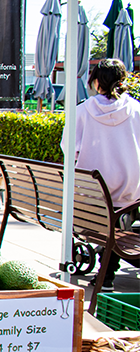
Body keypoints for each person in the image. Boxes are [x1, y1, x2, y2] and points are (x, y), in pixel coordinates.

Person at [61, 58, 140, 291]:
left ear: (96, 83)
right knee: (120, 216)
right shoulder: (136, 110)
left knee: (109, 216)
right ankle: (106, 275)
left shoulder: (81, 111)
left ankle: (105, 276)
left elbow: (68, 150)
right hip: (129, 195)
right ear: (123, 82)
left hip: (90, 197)